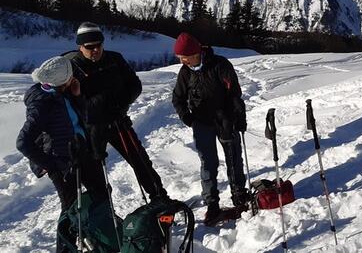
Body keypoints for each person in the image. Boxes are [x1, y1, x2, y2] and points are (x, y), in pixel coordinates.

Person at [63, 22, 166, 200]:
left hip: (118, 120)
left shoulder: (115, 59)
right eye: (90, 47)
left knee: (141, 161)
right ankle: (104, 214)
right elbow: (74, 104)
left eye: (99, 45)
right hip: (92, 129)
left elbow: (135, 85)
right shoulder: (72, 68)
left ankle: (160, 197)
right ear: (80, 46)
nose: (95, 50)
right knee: (96, 174)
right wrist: (103, 101)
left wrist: (121, 101)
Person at [17, 56, 108, 252]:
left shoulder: (62, 93)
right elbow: (23, 142)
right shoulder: (43, 103)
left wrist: (76, 96)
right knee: (70, 209)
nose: (74, 76)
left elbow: (79, 120)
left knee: (101, 194)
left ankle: (100, 237)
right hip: (63, 163)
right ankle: (65, 249)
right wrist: (51, 165)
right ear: (61, 78)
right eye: (70, 74)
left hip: (81, 153)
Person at [171, 32, 248, 223]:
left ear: (195, 52)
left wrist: (238, 117)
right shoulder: (185, 72)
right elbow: (178, 98)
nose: (182, 60)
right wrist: (187, 118)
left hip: (225, 120)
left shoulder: (220, 65)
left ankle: (239, 194)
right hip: (202, 123)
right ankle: (212, 203)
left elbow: (234, 94)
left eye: (184, 57)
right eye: (179, 58)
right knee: (208, 163)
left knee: (233, 158)